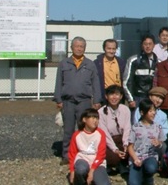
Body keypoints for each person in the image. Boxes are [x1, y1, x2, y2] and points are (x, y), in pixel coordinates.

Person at [54, 36, 102, 166]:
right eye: (77, 46)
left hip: (84, 101)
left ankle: (84, 154)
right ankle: (66, 155)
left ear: (85, 48)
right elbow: (58, 82)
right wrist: (58, 99)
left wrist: (97, 100)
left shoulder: (90, 64)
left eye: (82, 46)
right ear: (71, 48)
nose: (79, 48)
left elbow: (95, 83)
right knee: (68, 129)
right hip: (68, 102)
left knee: (84, 129)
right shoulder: (64, 63)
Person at [128, 99, 166, 185]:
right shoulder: (135, 127)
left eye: (154, 110)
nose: (153, 113)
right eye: (150, 111)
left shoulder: (157, 127)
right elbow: (130, 146)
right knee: (133, 183)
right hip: (137, 158)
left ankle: (148, 177)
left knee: (151, 168)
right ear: (142, 112)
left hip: (150, 156)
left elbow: (162, 143)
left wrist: (159, 143)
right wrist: (135, 159)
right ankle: (140, 174)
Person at [68, 108, 110, 185]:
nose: (95, 120)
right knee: (80, 170)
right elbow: (72, 154)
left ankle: (92, 178)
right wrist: (72, 171)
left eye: (97, 118)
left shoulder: (101, 134)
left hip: (97, 162)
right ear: (84, 119)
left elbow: (101, 154)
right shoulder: (77, 135)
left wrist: (92, 170)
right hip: (82, 159)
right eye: (93, 118)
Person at [123, 34, 158, 122]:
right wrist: (130, 100)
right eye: (145, 44)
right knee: (136, 123)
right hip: (137, 98)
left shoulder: (158, 62)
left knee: (151, 123)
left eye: (150, 44)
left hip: (151, 99)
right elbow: (126, 82)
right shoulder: (133, 60)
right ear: (142, 45)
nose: (148, 46)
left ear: (154, 45)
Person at [97, 85, 131, 176]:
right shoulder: (101, 112)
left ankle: (123, 165)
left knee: (129, 151)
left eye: (117, 94)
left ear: (121, 96)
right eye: (111, 94)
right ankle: (108, 165)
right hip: (108, 141)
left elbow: (127, 128)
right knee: (113, 157)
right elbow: (104, 133)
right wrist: (115, 149)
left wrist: (126, 144)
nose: (114, 97)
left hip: (122, 139)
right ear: (106, 96)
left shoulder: (125, 109)